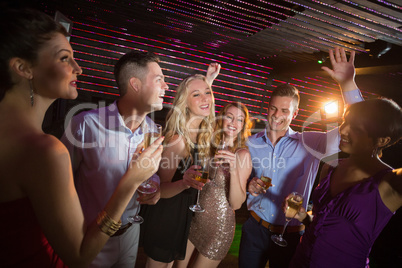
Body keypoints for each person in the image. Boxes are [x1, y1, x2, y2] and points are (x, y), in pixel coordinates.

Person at [0, 8, 163, 268]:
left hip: (130, 233)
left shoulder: (153, 130)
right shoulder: (54, 144)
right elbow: (78, 255)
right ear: (23, 67)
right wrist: (130, 182)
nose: (78, 68)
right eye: (65, 58)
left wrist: (150, 184)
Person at [238, 47, 364, 268]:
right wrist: (249, 185)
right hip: (254, 230)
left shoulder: (311, 142)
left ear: (295, 114)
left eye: (285, 111)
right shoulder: (251, 142)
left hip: (290, 234)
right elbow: (240, 181)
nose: (277, 116)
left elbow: (356, 125)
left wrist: (347, 84)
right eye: (273, 108)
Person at [61, 50, 167, 267]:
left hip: (130, 234)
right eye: (159, 80)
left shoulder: (152, 131)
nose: (166, 87)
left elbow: (150, 174)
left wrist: (154, 186)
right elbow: (59, 184)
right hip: (91, 235)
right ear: (135, 84)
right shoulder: (86, 125)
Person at [288, 99, 402, 267]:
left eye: (355, 128)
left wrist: (349, 85)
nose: (343, 130)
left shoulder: (390, 183)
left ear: (382, 141)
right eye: (345, 121)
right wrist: (304, 217)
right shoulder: (330, 168)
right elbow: (322, 224)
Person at [140, 64, 220, 268]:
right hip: (165, 218)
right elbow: (158, 190)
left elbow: (207, 106)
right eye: (196, 95)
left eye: (208, 93)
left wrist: (207, 83)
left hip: (183, 217)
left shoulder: (202, 135)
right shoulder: (178, 140)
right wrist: (185, 183)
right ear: (184, 104)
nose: (205, 98)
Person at [179, 102, 253, 268]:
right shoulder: (210, 145)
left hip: (218, 228)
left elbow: (236, 203)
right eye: (230, 117)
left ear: (243, 126)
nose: (234, 123)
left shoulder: (242, 154)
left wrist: (233, 170)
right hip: (196, 220)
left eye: (240, 120)